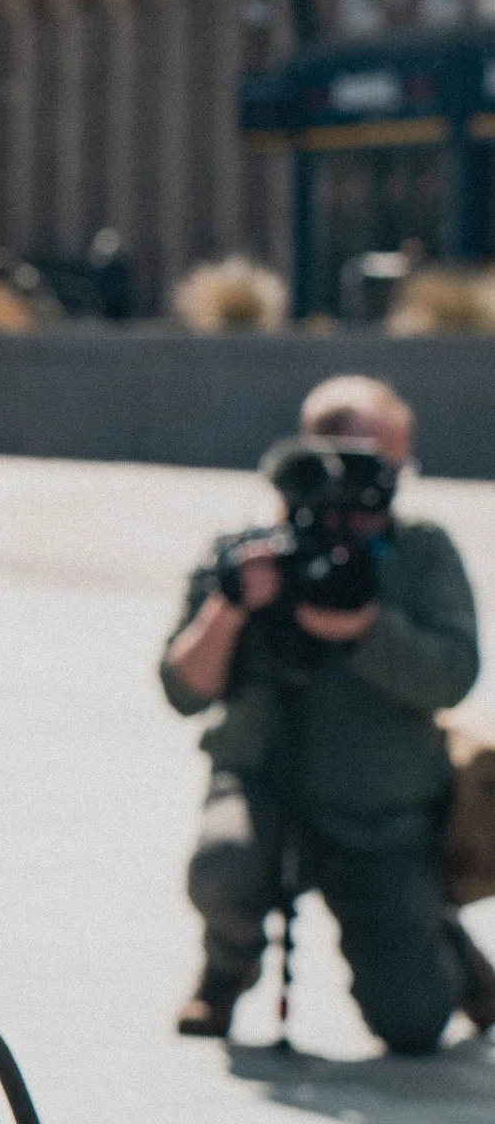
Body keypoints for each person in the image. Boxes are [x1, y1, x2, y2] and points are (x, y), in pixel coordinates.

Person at [161, 376, 493, 1052]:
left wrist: (366, 628)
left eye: (390, 466)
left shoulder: (421, 551)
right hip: (263, 781)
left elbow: (453, 675)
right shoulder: (252, 551)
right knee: (224, 863)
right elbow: (182, 689)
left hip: (378, 810)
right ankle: (226, 968)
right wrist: (231, 607)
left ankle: (439, 938)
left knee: (412, 1023)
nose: (370, 487)